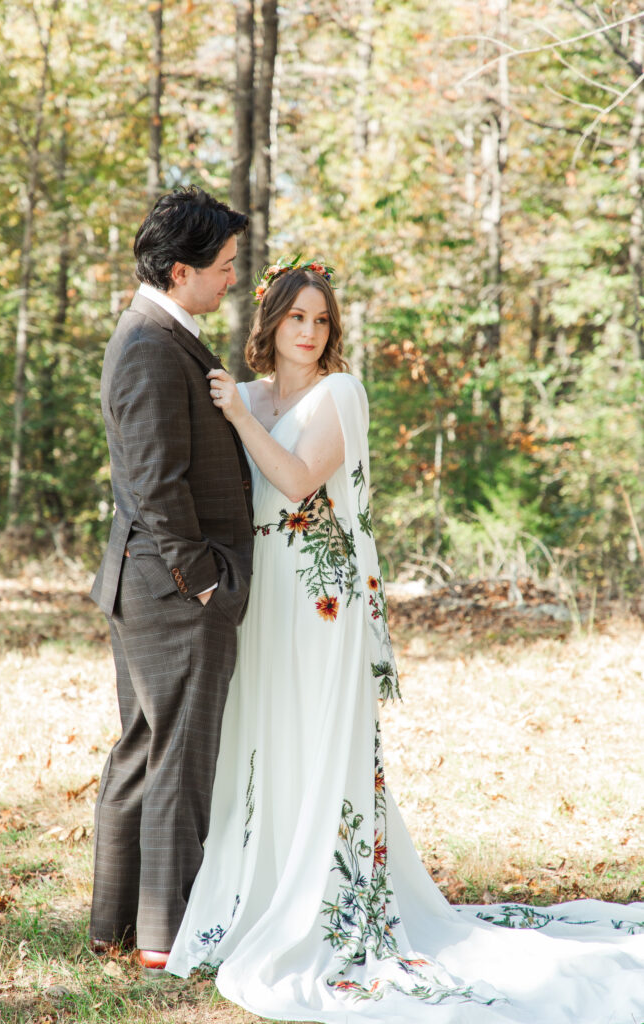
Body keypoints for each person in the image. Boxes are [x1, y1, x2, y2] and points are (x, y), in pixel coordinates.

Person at [164, 255, 644, 1021]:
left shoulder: (338, 394)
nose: (309, 332)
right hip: (262, 592)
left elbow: (297, 480)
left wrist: (240, 418)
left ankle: (324, 902)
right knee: (265, 736)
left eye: (321, 320)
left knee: (318, 737)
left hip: (320, 595)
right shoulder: (246, 393)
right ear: (271, 321)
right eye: (296, 317)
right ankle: (260, 891)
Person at [89, 186, 253, 970]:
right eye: (223, 266)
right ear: (180, 270)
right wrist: (202, 578)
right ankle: (165, 937)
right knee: (178, 761)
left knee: (146, 750)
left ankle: (116, 926)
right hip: (171, 587)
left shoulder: (157, 332)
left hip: (149, 583)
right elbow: (156, 482)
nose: (233, 279)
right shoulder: (151, 345)